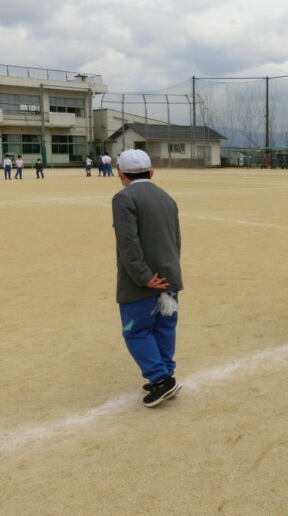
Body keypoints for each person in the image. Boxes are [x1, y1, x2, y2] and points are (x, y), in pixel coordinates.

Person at [112, 149, 183, 407]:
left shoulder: (123, 198)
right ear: (151, 173)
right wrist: (171, 273)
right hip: (170, 277)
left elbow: (128, 243)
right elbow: (176, 239)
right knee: (165, 326)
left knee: (137, 330)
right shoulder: (167, 197)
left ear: (120, 174)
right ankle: (165, 373)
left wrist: (143, 277)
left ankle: (160, 378)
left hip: (141, 282)